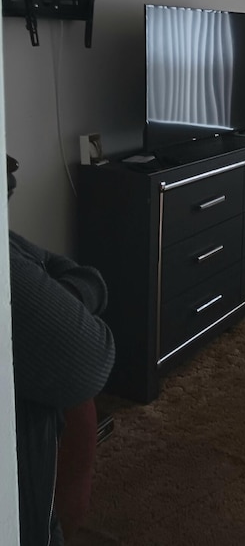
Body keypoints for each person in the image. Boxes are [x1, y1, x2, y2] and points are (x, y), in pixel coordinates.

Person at [6, 154, 115, 545]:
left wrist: (63, 296)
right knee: (80, 400)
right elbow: (94, 354)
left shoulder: (11, 246)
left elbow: (81, 275)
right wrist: (65, 298)